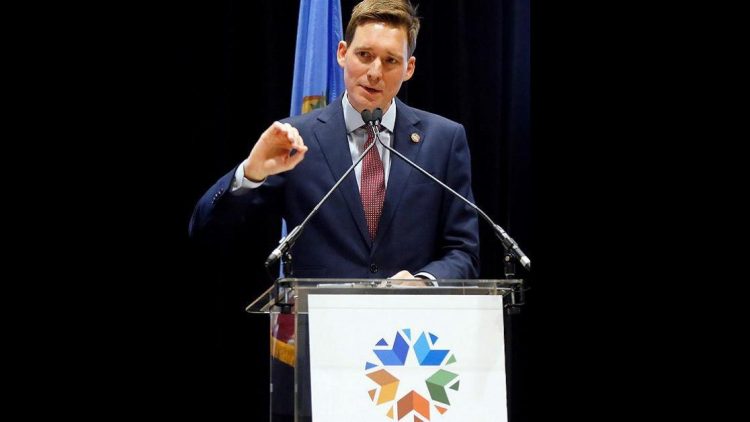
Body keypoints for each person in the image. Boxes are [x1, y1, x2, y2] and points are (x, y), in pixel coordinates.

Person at [189, 0, 479, 282]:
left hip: (410, 315)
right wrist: (251, 172)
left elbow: (463, 251)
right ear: (342, 53)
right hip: (317, 313)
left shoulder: (443, 140)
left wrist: (424, 282)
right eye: (364, 55)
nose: (374, 73)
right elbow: (207, 231)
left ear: (409, 68)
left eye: (390, 60)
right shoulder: (296, 138)